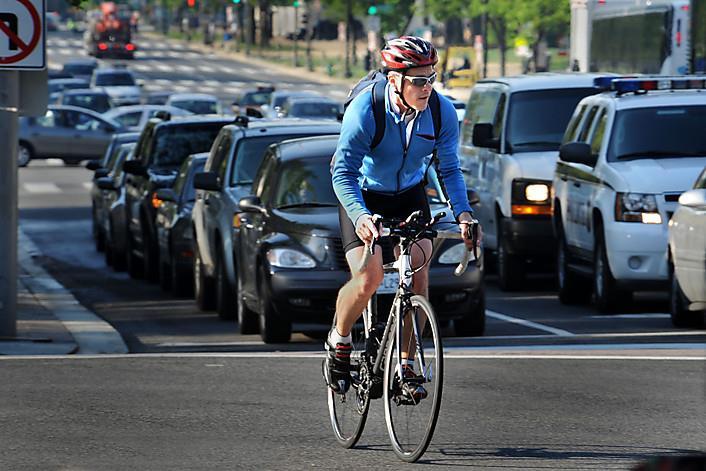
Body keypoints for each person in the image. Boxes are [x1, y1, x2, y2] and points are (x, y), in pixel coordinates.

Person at [327, 36, 482, 397]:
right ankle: (340, 338)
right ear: (395, 79)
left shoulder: (442, 112)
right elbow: (342, 172)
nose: (427, 87)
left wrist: (463, 213)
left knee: (418, 272)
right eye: (418, 80)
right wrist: (362, 216)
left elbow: (449, 169)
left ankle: (407, 364)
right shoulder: (367, 110)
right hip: (362, 194)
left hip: (409, 194)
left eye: (432, 78)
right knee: (370, 277)